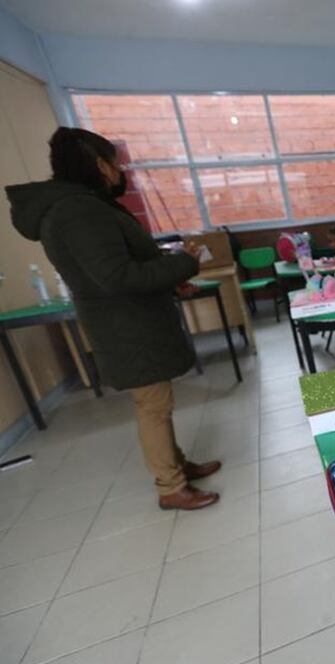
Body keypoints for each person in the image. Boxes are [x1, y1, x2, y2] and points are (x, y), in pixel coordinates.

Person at [6, 128, 222, 510]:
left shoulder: (80, 205)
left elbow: (121, 267)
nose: (120, 172)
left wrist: (170, 281)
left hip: (130, 321)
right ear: (99, 165)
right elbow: (119, 276)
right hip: (127, 328)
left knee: (159, 402)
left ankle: (177, 464)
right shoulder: (79, 211)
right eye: (116, 164)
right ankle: (170, 485)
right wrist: (184, 263)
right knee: (153, 405)